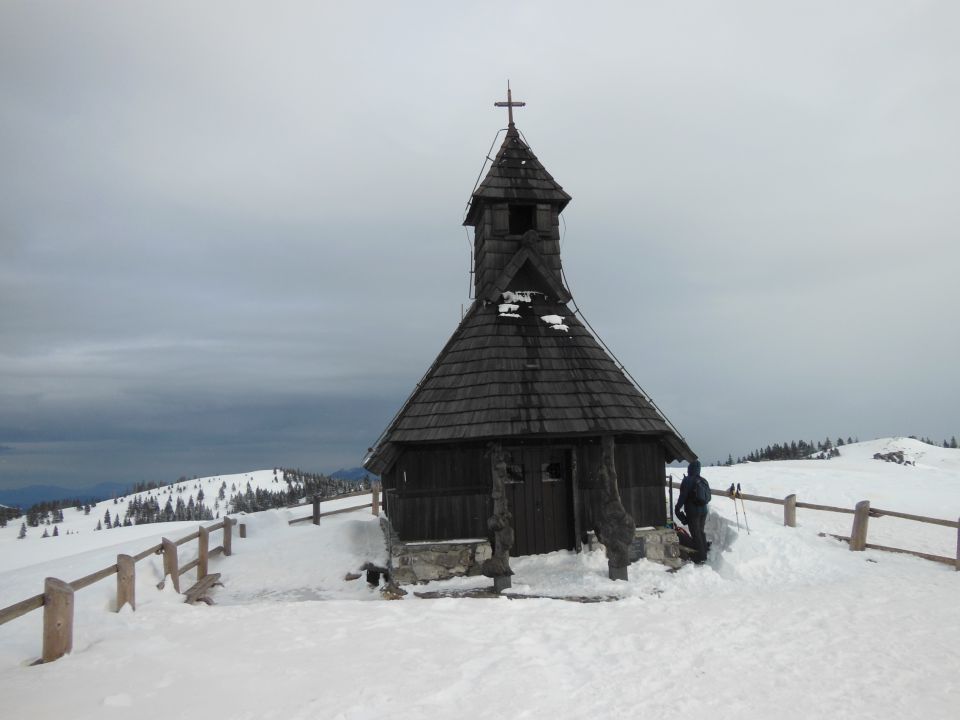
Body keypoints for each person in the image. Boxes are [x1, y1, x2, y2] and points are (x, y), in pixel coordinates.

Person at [675, 459, 709, 564]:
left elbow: (683, 497)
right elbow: (708, 497)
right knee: (700, 531)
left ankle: (701, 557)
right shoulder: (704, 480)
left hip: (693, 512)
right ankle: (704, 551)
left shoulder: (687, 480)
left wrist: (677, 508)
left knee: (696, 533)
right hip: (704, 511)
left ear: (690, 469)